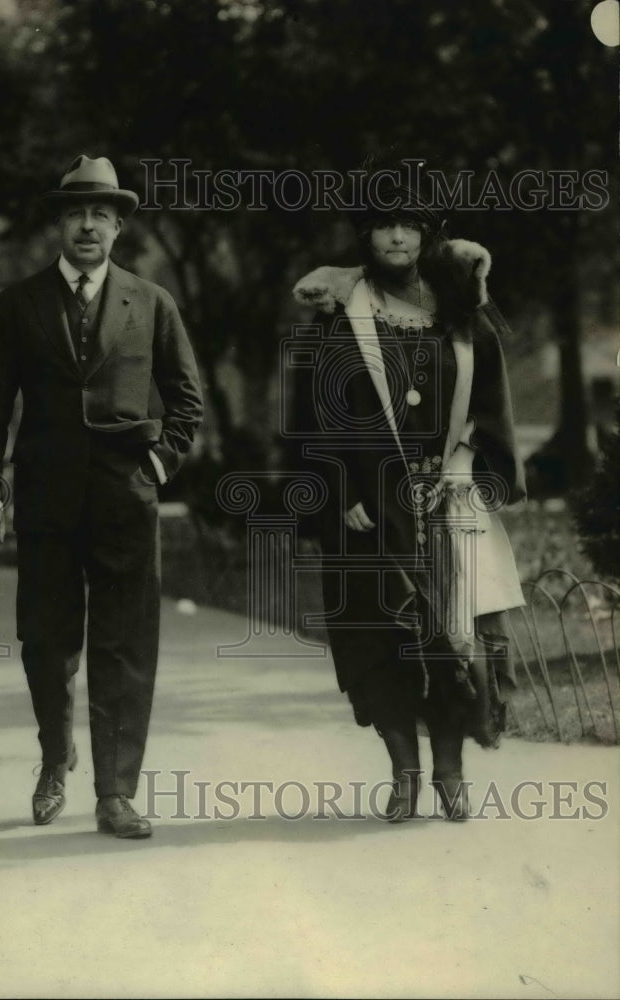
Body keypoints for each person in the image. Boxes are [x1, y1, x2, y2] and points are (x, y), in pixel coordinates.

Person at [0, 155, 203, 837]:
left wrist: (158, 467)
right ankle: (54, 756)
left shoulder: (151, 301)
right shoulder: (16, 305)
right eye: (77, 212)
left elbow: (187, 401)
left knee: (125, 641)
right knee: (45, 641)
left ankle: (115, 792)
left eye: (102, 214)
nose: (89, 225)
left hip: (125, 497)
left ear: (120, 226)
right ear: (59, 223)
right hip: (44, 497)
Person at [292, 181, 525, 822]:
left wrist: (470, 467)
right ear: (364, 234)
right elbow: (311, 419)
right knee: (380, 641)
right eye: (383, 225)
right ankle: (404, 773)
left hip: (446, 499)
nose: (397, 236)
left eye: (409, 225)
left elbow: (488, 402)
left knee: (452, 638)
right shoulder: (340, 315)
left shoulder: (457, 308)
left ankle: (449, 769)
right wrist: (339, 495)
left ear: (427, 234)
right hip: (366, 509)